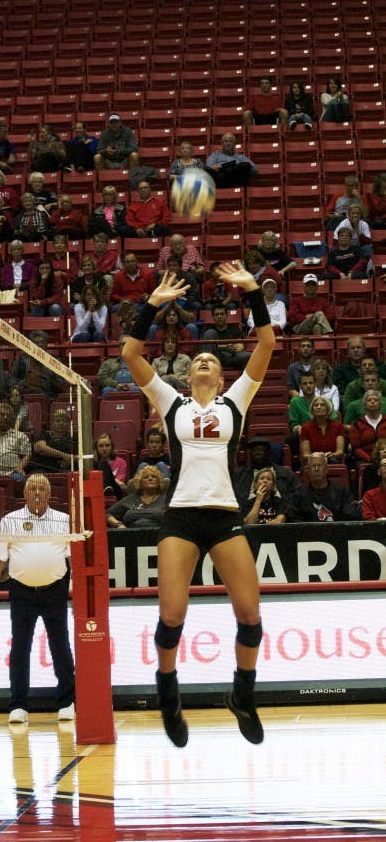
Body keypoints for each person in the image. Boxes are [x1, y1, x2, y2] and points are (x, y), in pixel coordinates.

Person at [122, 263, 276, 747]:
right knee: (171, 615)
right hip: (182, 516)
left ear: (221, 373)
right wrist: (152, 304)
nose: (204, 362)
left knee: (250, 616)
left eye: (211, 358)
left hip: (225, 516)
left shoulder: (236, 402)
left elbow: (267, 344)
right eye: (198, 360)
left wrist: (252, 292)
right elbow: (130, 352)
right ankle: (168, 695)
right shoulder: (172, 403)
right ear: (188, 375)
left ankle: (242, 696)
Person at [0, 474, 75, 723]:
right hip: (21, 591)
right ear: (24, 494)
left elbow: (74, 559)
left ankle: (67, 701)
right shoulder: (10, 520)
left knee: (60, 646)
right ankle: (18, 705)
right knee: (20, 648)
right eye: (32, 489)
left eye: (42, 489)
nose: (37, 493)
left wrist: (76, 588)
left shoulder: (63, 520)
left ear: (49, 494)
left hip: (55, 589)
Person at [288, 452, 359, 522]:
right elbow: (295, 522)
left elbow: (350, 517)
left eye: (319, 465)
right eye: (313, 466)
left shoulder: (342, 492)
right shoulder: (299, 495)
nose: (316, 469)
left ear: (326, 470)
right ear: (308, 471)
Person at [232, 435, 299, 507]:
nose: (257, 453)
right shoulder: (238, 474)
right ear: (250, 454)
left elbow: (297, 497)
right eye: (254, 450)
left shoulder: (286, 474)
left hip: (280, 513)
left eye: (260, 450)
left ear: (268, 452)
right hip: (247, 514)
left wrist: (283, 514)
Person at [106, 465, 168, 530]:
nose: (150, 478)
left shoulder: (166, 500)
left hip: (160, 535)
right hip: (131, 534)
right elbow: (107, 514)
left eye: (154, 477)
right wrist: (118, 524)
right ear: (139, 483)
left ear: (159, 482)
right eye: (145, 477)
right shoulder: (129, 499)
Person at [200, 304, 250, 370]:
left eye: (222, 314)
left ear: (226, 315)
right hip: (215, 356)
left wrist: (218, 346)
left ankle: (245, 379)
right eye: (216, 315)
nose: (219, 317)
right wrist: (225, 347)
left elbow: (240, 347)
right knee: (210, 332)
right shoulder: (207, 330)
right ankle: (209, 372)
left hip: (231, 356)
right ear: (213, 317)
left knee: (247, 355)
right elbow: (205, 348)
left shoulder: (235, 329)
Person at [30, 407, 77, 475]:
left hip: (65, 469)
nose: (61, 423)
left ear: (69, 424)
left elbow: (82, 455)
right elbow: (40, 448)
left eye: (64, 421)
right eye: (58, 421)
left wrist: (71, 460)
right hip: (42, 469)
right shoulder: (45, 434)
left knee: (69, 476)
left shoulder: (74, 437)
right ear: (52, 423)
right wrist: (64, 456)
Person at [300, 396, 345, 465]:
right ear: (312, 410)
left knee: (334, 461)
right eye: (316, 405)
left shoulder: (338, 426)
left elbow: (340, 451)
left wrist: (331, 455)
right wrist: (319, 457)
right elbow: (306, 455)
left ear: (328, 409)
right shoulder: (306, 428)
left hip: (332, 460)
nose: (319, 407)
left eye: (322, 405)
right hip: (313, 462)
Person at [348, 390, 386, 463]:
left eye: (376, 400)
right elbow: (356, 448)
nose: (372, 402)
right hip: (365, 460)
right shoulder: (357, 424)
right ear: (365, 405)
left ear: (380, 404)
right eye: (369, 400)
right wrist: (370, 460)